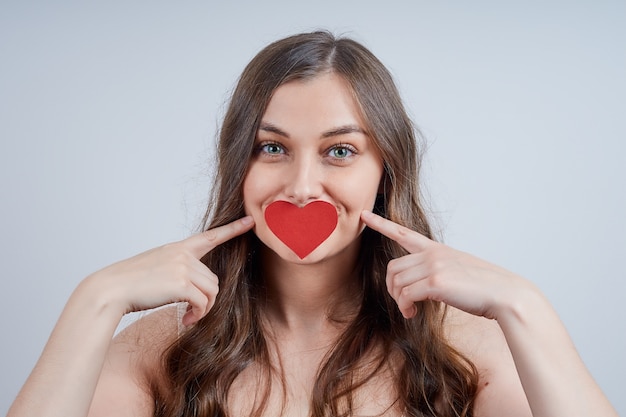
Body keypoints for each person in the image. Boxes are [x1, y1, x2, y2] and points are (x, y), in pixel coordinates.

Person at [7, 31, 618, 417]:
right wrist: (96, 299)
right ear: (238, 166)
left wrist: (525, 306)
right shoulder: (157, 351)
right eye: (272, 148)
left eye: (340, 151)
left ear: (385, 171)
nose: (301, 186)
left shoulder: (464, 350)